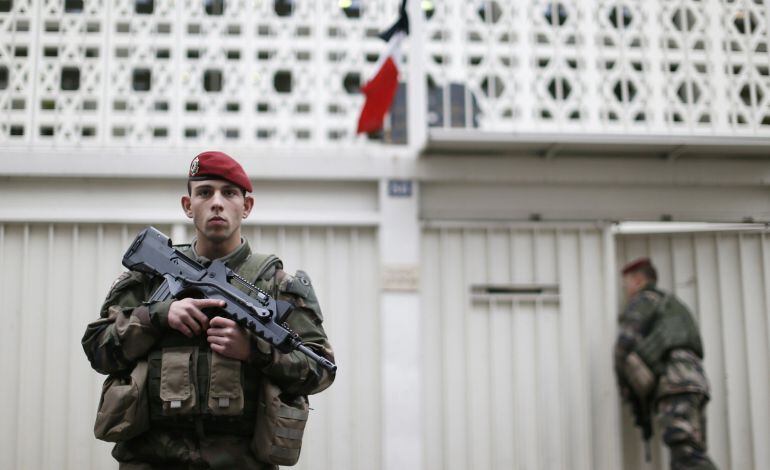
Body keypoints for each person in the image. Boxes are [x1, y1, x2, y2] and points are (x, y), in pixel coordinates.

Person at [82, 151, 335, 469]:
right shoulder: (150, 276)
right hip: (151, 460)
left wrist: (255, 351)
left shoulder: (277, 285)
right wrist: (159, 315)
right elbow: (97, 349)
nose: (217, 202)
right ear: (188, 206)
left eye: (229, 193)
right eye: (204, 192)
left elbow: (321, 369)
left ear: (247, 207)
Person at [614, 257, 716, 470]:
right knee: (686, 455)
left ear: (639, 280)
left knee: (686, 453)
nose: (627, 291)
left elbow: (624, 345)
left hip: (675, 383)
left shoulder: (645, 300)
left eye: (627, 285)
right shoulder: (674, 305)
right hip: (695, 382)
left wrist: (627, 388)